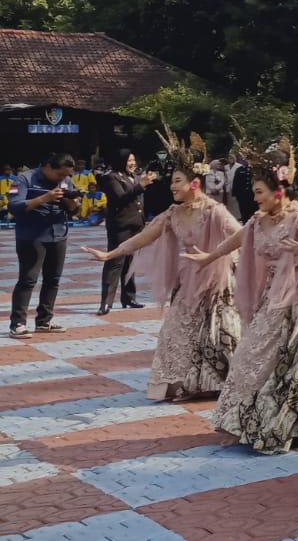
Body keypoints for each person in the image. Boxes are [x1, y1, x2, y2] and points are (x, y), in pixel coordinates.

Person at [184, 150, 298, 454]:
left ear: (278, 192)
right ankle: (246, 417)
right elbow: (236, 240)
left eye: (260, 193)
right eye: (253, 193)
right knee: (252, 353)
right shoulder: (257, 220)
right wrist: (210, 256)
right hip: (276, 295)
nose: (255, 198)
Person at [83, 146, 242, 401]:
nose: (172, 186)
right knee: (175, 333)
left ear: (194, 183)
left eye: (177, 181)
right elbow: (141, 238)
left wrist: (220, 257)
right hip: (186, 281)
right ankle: (187, 383)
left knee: (220, 336)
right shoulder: (172, 214)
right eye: (171, 182)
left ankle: (232, 381)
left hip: (216, 282)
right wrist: (109, 255)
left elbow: (242, 236)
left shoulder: (215, 211)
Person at [8, 154, 79, 338]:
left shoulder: (66, 180)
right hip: (31, 236)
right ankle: (18, 323)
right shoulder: (25, 179)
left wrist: (71, 202)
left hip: (58, 234)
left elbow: (74, 209)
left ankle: (44, 320)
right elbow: (14, 206)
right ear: (48, 167)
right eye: (59, 175)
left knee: (53, 279)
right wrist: (44, 198)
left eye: (66, 175)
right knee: (28, 279)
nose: (62, 179)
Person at [97, 150, 153, 315]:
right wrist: (141, 185)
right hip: (120, 226)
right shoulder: (111, 177)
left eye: (134, 160)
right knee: (115, 262)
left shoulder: (134, 176)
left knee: (131, 262)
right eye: (129, 160)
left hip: (136, 225)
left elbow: (137, 200)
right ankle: (106, 302)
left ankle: (129, 297)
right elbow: (120, 198)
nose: (132, 163)